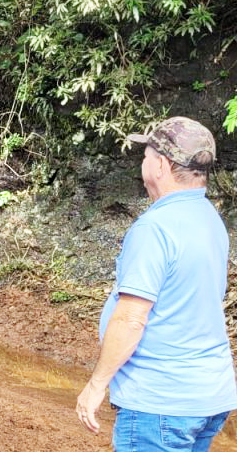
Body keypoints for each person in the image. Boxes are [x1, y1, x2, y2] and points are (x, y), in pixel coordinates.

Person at [76, 116, 236, 451]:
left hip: (160, 403)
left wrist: (96, 385)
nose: (143, 163)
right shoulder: (211, 220)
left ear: (161, 165)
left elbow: (132, 318)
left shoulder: (155, 228)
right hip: (209, 395)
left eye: (145, 155)